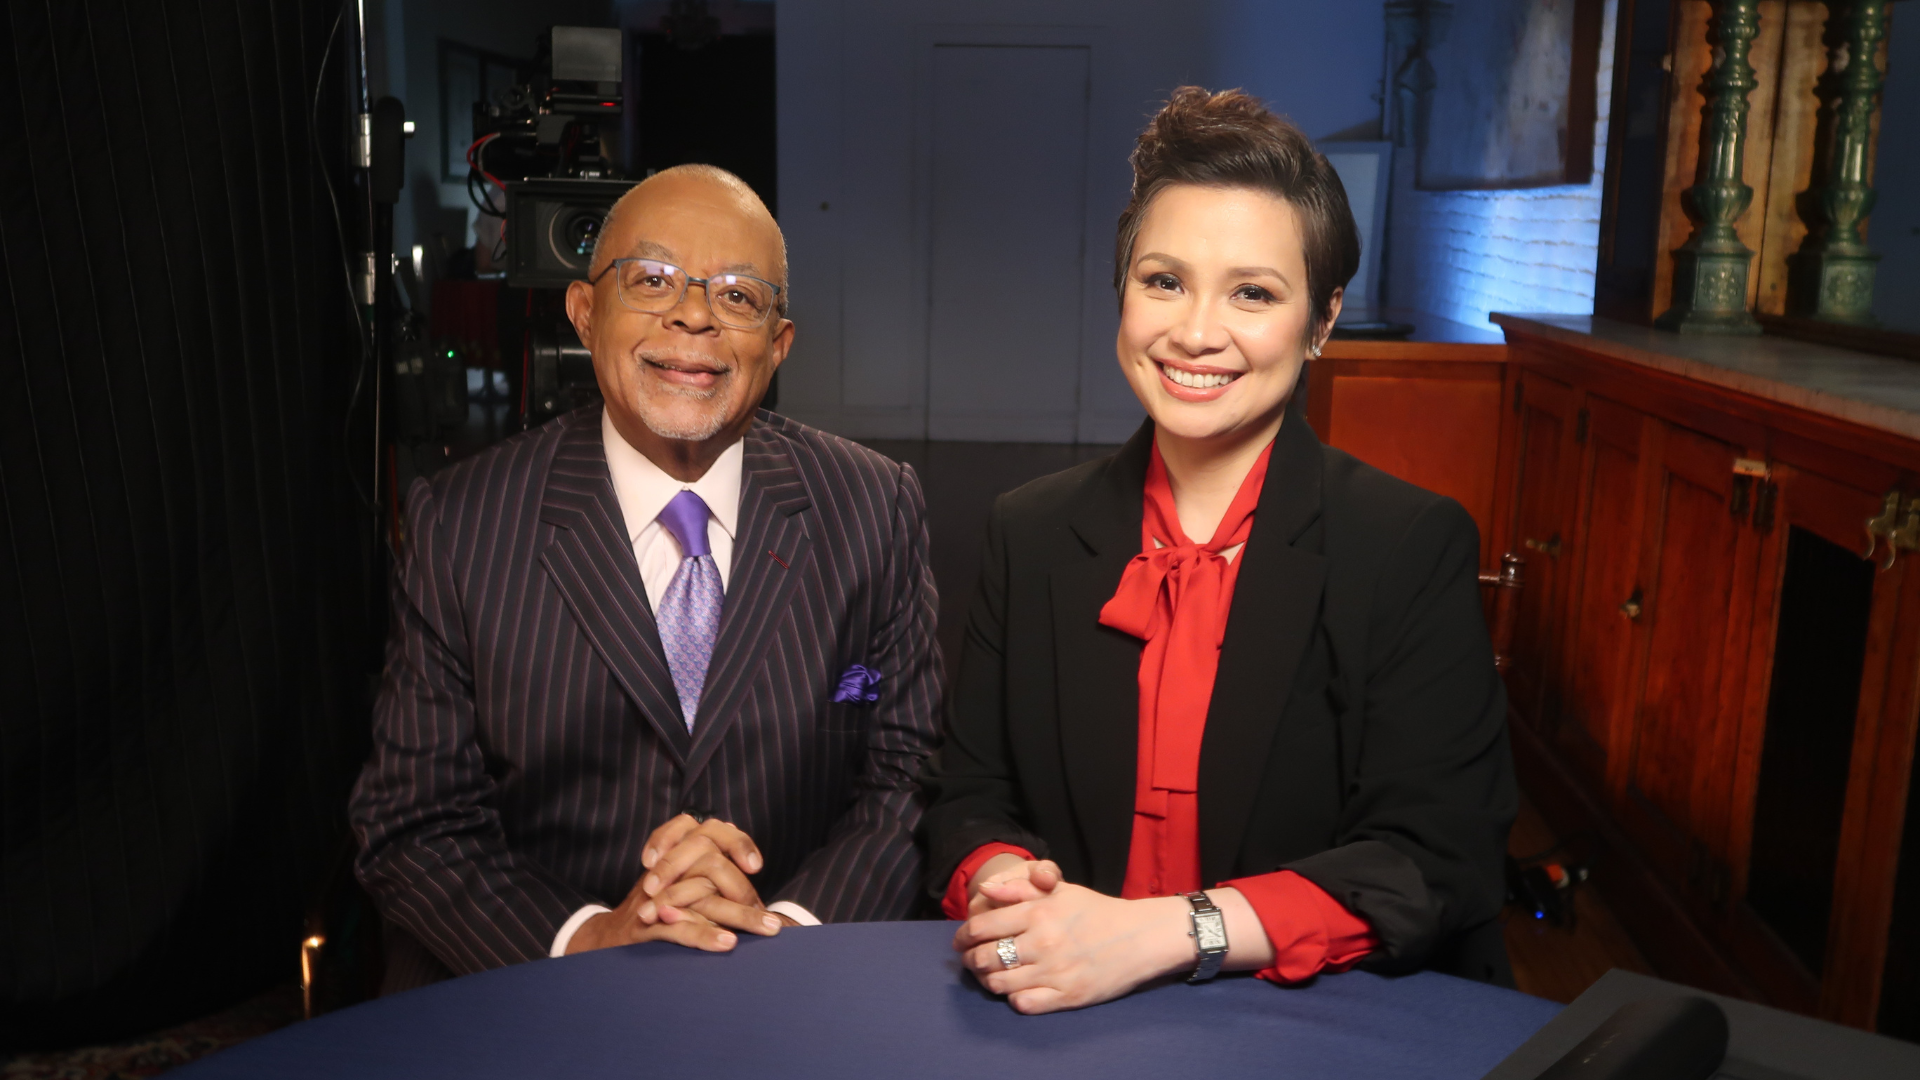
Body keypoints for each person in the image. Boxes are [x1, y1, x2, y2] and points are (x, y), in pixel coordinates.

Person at [921, 88, 1516, 1015]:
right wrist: (1009, 890)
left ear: (1322, 321)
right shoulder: (1026, 530)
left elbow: (1436, 857)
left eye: (1253, 293)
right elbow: (968, 794)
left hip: (1315, 1014)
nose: (1195, 332)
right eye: (1163, 280)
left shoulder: (1409, 544)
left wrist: (1166, 933)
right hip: (1064, 1005)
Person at [351, 165, 941, 991]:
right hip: (534, 1003)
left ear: (777, 344)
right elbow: (410, 822)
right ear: (586, 313)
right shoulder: (463, 521)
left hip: (796, 989)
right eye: (652, 279)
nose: (693, 314)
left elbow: (907, 778)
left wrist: (787, 935)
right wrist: (588, 941)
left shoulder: (875, 508)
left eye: (737, 295)